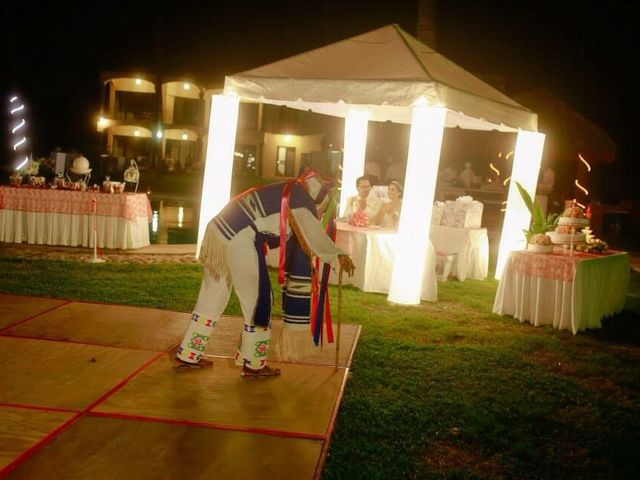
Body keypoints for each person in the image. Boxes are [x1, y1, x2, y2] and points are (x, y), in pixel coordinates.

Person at [175, 169, 355, 377]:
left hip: (219, 232)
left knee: (213, 296)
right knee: (259, 300)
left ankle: (189, 353)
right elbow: (313, 235)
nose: (322, 214)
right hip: (239, 238)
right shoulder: (301, 200)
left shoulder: (289, 190)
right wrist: (337, 254)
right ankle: (254, 364)